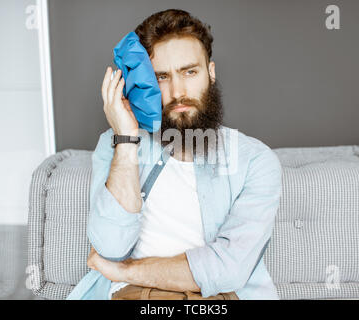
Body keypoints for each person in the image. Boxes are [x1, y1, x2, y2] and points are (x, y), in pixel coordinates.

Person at [67, 9, 282, 300]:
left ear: (211, 72)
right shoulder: (115, 143)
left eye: (189, 72)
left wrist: (125, 270)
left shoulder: (255, 160)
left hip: (216, 297)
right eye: (162, 77)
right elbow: (109, 246)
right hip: (134, 295)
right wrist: (127, 139)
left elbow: (228, 269)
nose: (178, 91)